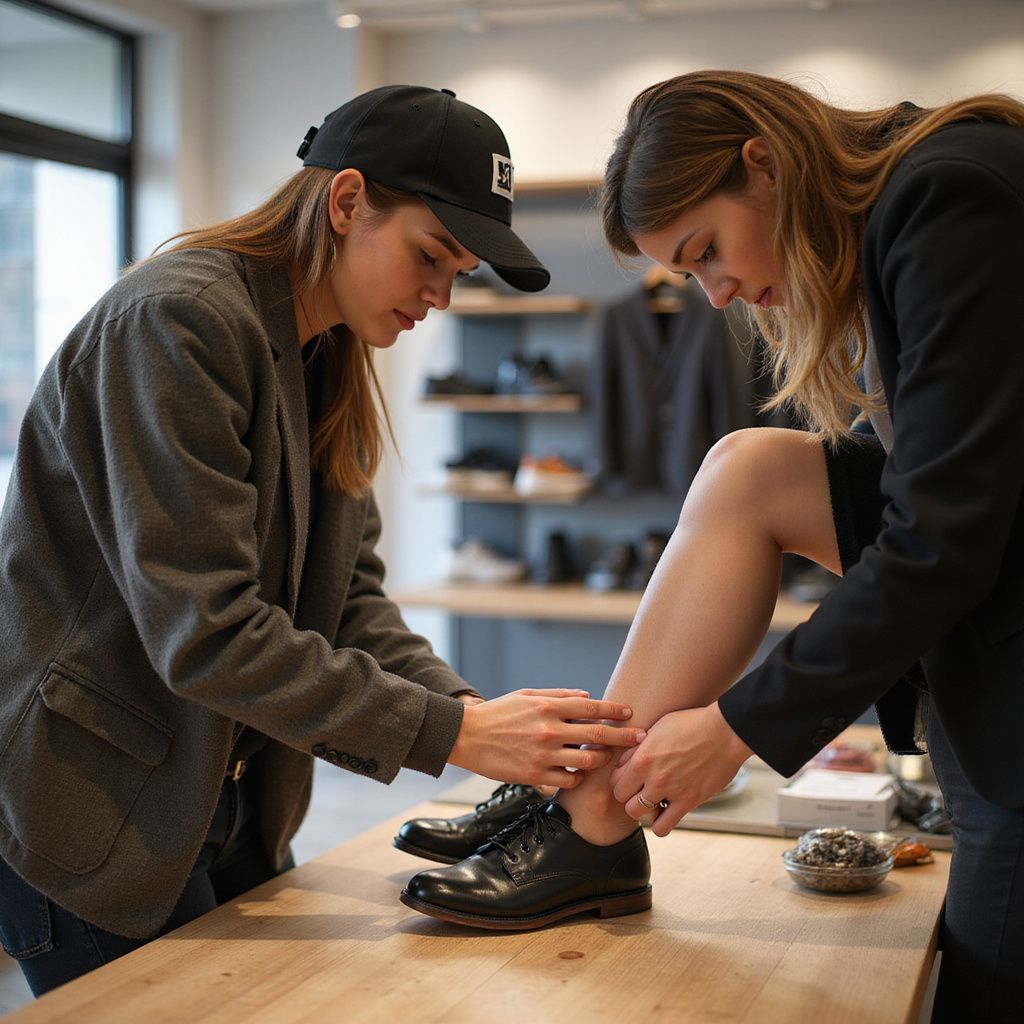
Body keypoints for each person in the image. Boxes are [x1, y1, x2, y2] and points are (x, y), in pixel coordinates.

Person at [398, 71, 1024, 1023]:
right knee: (747, 468)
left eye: (706, 253)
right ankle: (591, 816)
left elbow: (943, 534)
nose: (719, 293)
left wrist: (737, 727)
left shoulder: (947, 195)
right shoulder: (917, 197)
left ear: (762, 164)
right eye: (689, 277)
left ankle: (589, 820)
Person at [0, 84, 646, 997]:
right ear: (346, 202)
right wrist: (462, 733)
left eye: (459, 272)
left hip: (225, 799)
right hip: (97, 807)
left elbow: (345, 603)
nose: (441, 297)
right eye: (432, 255)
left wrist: (495, 728)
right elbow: (209, 632)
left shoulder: (326, 352)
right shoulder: (177, 322)